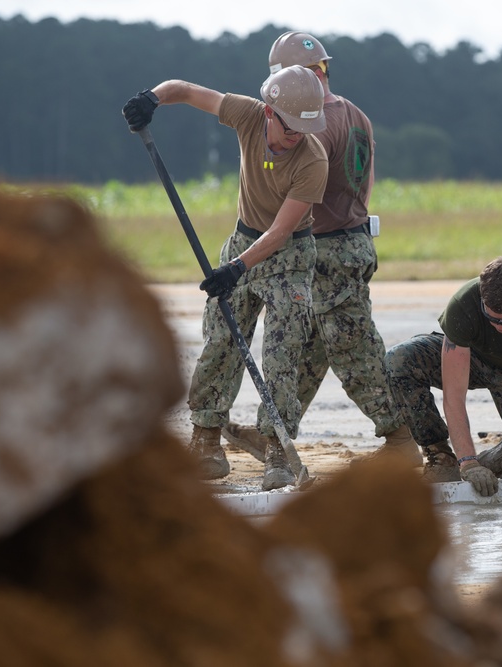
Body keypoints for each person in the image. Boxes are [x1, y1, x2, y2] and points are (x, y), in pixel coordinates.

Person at [122, 64, 328, 490]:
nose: (296, 139)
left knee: (282, 354)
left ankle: (277, 449)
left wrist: (236, 270)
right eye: (290, 129)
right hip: (242, 241)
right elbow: (186, 89)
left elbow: (280, 232)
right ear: (270, 112)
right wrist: (152, 99)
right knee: (220, 342)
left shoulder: (313, 159)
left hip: (288, 256)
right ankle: (207, 442)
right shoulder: (248, 115)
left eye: (303, 131)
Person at [222, 31, 419, 467]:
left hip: (325, 248)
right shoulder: (357, 116)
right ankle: (278, 432)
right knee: (307, 347)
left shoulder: (311, 126)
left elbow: (293, 200)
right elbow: (365, 186)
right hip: (355, 237)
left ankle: (401, 437)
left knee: (354, 348)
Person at [384, 257, 502, 496]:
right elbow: (454, 398)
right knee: (399, 360)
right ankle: (441, 457)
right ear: (482, 299)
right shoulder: (463, 304)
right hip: (471, 361)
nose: (500, 325)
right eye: (492, 317)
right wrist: (468, 462)